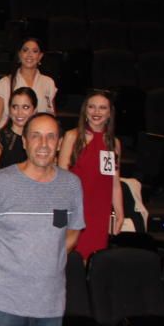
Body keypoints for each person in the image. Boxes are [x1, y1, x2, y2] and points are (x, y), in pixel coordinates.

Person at [0, 113, 84, 326]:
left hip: (50, 304)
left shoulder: (71, 185)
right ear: (24, 142)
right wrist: (2, 271)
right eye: (35, 136)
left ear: (58, 143)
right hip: (3, 302)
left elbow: (72, 232)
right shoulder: (1, 183)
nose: (43, 144)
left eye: (50, 137)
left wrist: (49, 261)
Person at [57, 91, 123, 261]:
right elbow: (60, 180)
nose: (96, 112)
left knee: (94, 261)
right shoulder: (72, 137)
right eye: (92, 107)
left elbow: (115, 183)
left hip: (99, 212)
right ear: (85, 110)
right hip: (75, 209)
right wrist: (60, 215)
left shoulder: (113, 143)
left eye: (102, 108)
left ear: (109, 113)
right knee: (71, 259)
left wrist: (120, 213)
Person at [0, 36, 56, 129]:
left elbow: (52, 118)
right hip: (10, 139)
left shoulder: (48, 83)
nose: (29, 54)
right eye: (25, 50)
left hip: (38, 139)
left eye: (34, 51)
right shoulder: (4, 83)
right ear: (19, 54)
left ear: (40, 56)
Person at [0, 87, 37, 185]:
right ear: (9, 109)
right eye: (15, 107)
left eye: (25, 107)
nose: (19, 113)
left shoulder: (38, 139)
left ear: (34, 110)